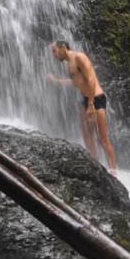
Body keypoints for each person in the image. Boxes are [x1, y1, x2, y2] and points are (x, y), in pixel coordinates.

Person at [47, 39, 117, 175]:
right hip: (85, 99)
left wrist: (91, 104)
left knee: (103, 138)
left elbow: (90, 79)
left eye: (54, 51)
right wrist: (56, 81)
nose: (54, 55)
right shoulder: (69, 64)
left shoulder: (79, 57)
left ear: (62, 48)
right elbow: (75, 81)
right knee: (87, 135)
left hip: (96, 98)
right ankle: (96, 167)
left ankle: (113, 171)